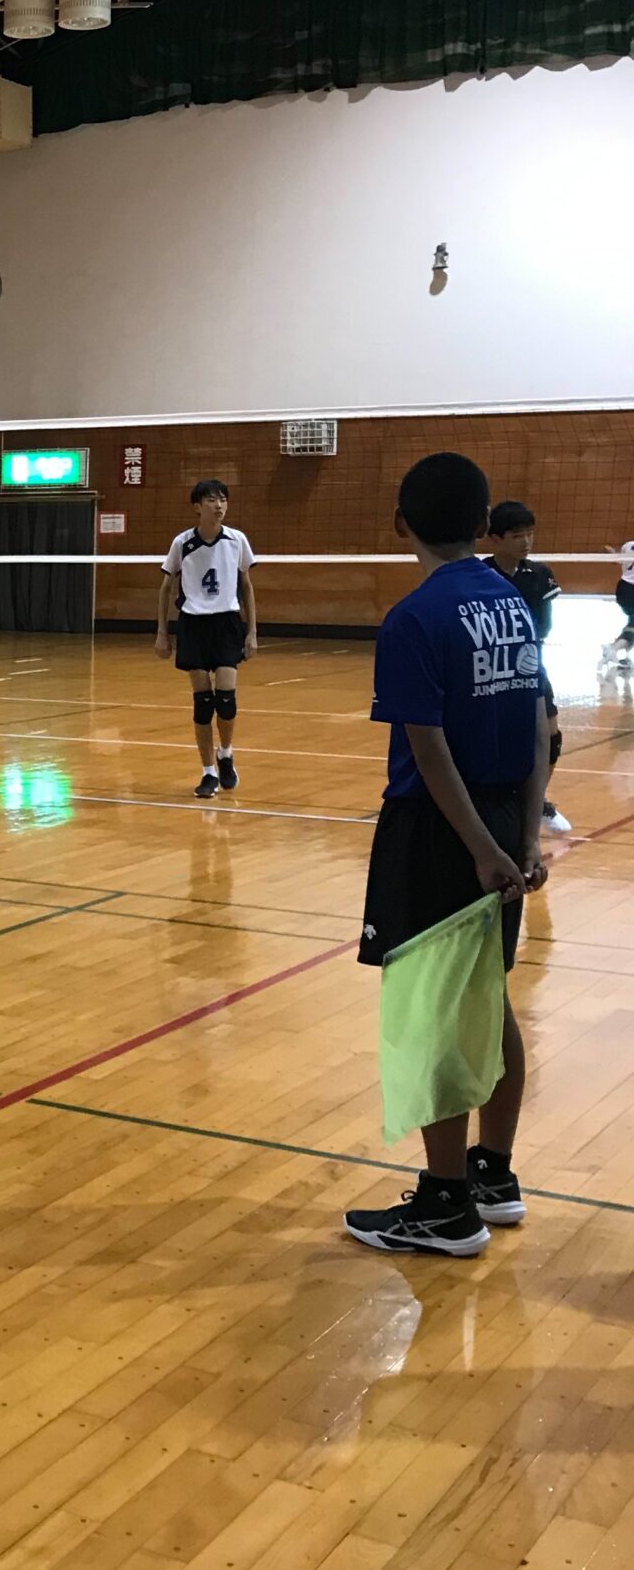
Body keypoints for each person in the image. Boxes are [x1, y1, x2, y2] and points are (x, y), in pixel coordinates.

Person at [344, 452, 550, 1257]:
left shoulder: (414, 618)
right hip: (499, 815)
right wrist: (522, 839)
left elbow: (428, 753)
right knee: (487, 999)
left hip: (441, 830)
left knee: (435, 1011)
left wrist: (480, 850)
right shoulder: (512, 603)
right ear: (483, 525)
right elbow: (537, 731)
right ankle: (492, 1174)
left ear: (401, 524)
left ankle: (445, 1206)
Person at [154, 477, 259, 798]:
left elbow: (246, 586)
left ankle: (225, 753)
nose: (219, 505)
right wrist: (162, 633)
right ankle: (208, 772)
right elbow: (166, 588)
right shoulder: (182, 542)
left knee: (226, 700)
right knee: (203, 704)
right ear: (197, 507)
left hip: (226, 623)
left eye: (223, 499)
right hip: (193, 624)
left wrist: (252, 631)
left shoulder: (237, 540)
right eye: (212, 500)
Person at [487, 502, 569, 835]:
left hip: (530, 665)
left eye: (529, 534)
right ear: (495, 538)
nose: (526, 542)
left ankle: (536, 802)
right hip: (490, 669)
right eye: (517, 535)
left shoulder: (539, 574)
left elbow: (544, 626)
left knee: (550, 736)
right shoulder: (482, 576)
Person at [607, 534, 634, 669]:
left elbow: (618, 561)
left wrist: (614, 554)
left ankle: (622, 653)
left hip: (623, 589)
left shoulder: (628, 545)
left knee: (632, 622)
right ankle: (613, 649)